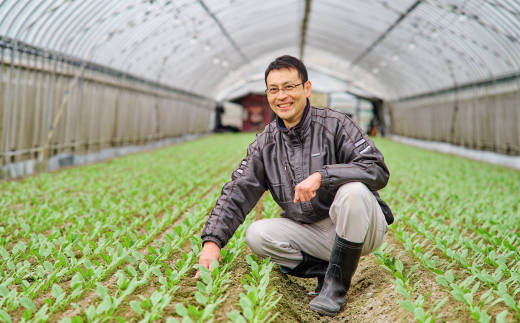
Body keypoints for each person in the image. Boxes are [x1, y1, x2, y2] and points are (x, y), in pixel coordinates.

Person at [198, 55, 393, 317]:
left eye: (289, 87)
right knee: (257, 235)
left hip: (362, 226)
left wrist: (323, 175)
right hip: (314, 233)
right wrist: (212, 242)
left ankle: (336, 287)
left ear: (307, 88)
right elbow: (237, 191)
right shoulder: (265, 144)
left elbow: (376, 168)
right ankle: (327, 271)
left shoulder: (336, 125)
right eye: (274, 89)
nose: (282, 96)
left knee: (353, 191)